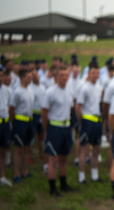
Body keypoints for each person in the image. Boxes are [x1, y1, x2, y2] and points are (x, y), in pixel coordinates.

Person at [41, 66, 75, 197]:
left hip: (66, 128)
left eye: (66, 75)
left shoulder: (69, 91)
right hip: (54, 128)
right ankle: (53, 189)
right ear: (56, 77)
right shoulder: (50, 92)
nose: (64, 77)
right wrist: (46, 129)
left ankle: (64, 185)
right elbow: (44, 112)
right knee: (53, 160)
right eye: (62, 75)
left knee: (64, 158)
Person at [75, 64, 103, 184]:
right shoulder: (85, 88)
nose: (96, 75)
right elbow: (78, 107)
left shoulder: (99, 87)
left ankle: (94, 176)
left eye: (97, 73)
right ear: (89, 74)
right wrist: (82, 122)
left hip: (97, 121)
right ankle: (81, 177)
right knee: (85, 150)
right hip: (87, 121)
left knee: (96, 149)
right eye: (93, 73)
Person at [9, 69, 35, 182]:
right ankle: (16, 174)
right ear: (22, 78)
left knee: (27, 148)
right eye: (28, 78)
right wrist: (13, 123)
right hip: (20, 122)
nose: (30, 79)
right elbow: (11, 109)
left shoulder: (30, 90)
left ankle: (25, 171)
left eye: (31, 77)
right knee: (19, 149)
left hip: (30, 121)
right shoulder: (17, 92)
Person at [28, 66, 47, 172]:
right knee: (32, 137)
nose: (35, 76)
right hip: (33, 114)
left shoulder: (43, 87)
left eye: (36, 74)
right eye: (32, 75)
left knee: (41, 136)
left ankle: (41, 154)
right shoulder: (30, 88)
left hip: (41, 114)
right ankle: (30, 156)